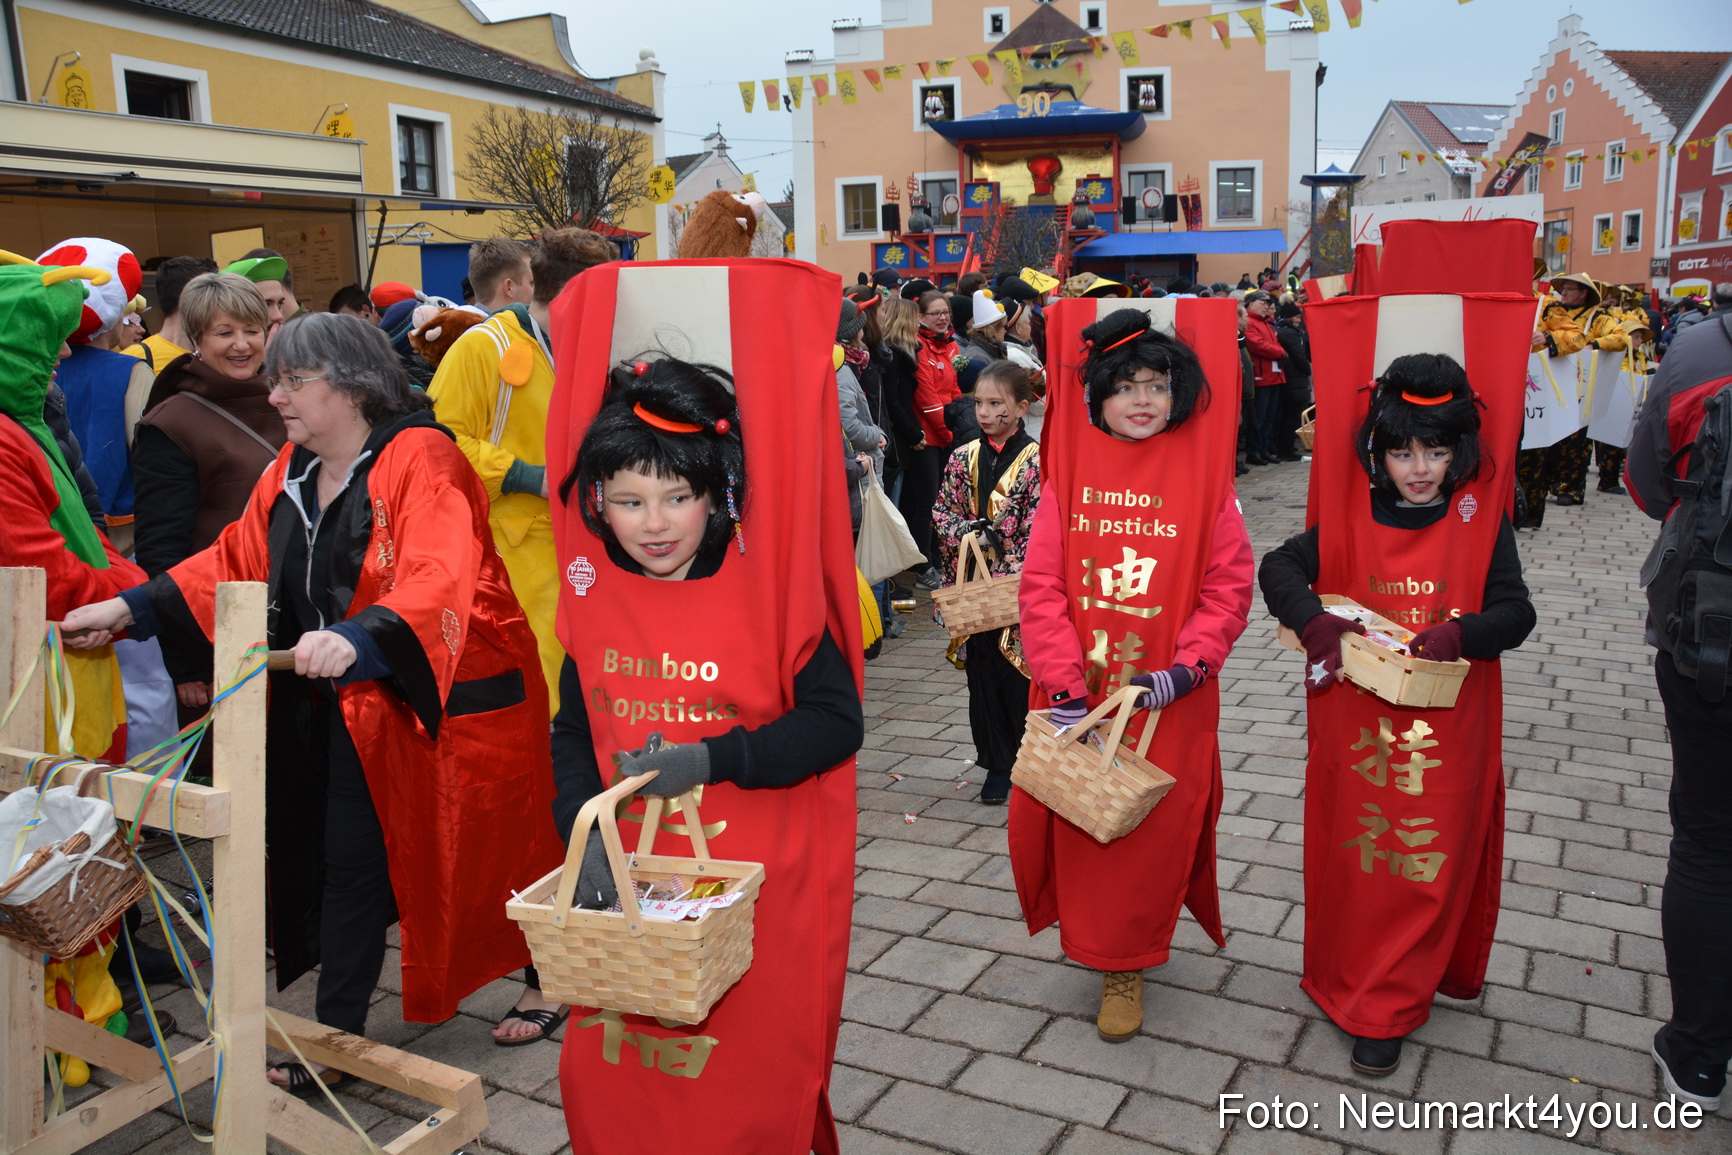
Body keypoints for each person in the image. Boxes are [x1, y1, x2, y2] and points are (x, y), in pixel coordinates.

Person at [63, 312, 562, 1096]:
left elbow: (442, 569)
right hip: (354, 702)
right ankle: (338, 1032)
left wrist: (364, 635)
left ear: (356, 384)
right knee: (350, 860)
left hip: (452, 693)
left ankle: (548, 974)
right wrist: (135, 607)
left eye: (296, 380)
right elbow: (234, 557)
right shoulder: (292, 468)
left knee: (504, 845)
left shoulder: (424, 456)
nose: (277, 395)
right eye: (277, 379)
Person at [546, 343, 863, 1152]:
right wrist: (579, 826)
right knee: (609, 1080)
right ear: (596, 503)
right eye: (628, 500)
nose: (653, 523)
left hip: (753, 895)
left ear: (716, 494)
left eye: (676, 496)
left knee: (749, 1085)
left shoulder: (771, 589)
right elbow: (573, 728)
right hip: (634, 886)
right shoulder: (594, 599)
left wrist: (714, 758)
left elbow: (835, 721)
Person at [1259, 354, 1534, 1076]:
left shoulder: (1481, 519)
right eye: (1404, 451)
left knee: (1427, 861)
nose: (1421, 468)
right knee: (1360, 857)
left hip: (1448, 732)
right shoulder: (1348, 513)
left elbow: (1516, 611)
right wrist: (1314, 622)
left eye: (1437, 451)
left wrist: (1463, 632)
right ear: (1377, 452)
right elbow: (1278, 568)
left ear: (1460, 452)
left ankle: (1395, 999)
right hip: (1359, 731)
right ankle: (1361, 983)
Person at [1016, 305, 1252, 1042]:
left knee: (1152, 829)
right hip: (1079, 694)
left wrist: (1191, 666)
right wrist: (1061, 684)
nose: (1142, 399)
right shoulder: (1071, 473)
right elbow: (1042, 586)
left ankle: (1129, 956)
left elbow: (1229, 583)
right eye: (1124, 386)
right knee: (1086, 823)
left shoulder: (1206, 476)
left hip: (1166, 697)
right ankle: (1105, 944)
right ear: (1098, 397)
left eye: (1156, 383)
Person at [1626, 301, 1732, 1110]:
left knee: (1707, 840)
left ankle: (1697, 1053)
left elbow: (1647, 481)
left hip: (1711, 632)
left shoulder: (1700, 349)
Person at [931, 360, 1041, 803]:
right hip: (975, 586)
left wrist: (1003, 544)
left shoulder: (1040, 460)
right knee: (983, 678)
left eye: (996, 403)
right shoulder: (962, 457)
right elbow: (941, 513)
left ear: (1021, 408)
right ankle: (996, 764)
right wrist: (967, 533)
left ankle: (1027, 760)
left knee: (1021, 675)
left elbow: (1041, 525)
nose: (984, 412)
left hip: (1021, 586)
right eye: (979, 402)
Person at [1516, 272, 1628, 525]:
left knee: (1575, 440)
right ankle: (1551, 484)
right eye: (1562, 289)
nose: (1563, 293)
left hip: (1579, 386)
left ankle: (1570, 488)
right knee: (1545, 440)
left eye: (1569, 289)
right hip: (1543, 385)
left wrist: (1594, 344)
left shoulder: (1594, 317)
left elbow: (1622, 338)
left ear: (1583, 293)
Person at [899, 288, 961, 590]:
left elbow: (955, 391)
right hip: (927, 437)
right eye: (935, 313)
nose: (942, 318)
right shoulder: (919, 347)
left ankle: (939, 560)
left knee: (944, 502)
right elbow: (928, 400)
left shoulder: (950, 347)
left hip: (947, 435)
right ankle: (924, 566)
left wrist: (962, 423)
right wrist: (952, 434)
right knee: (927, 503)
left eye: (945, 312)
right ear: (920, 316)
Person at [123, 256, 217, 372]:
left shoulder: (219, 355)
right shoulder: (132, 359)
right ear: (186, 296)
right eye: (206, 290)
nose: (217, 299)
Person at [1242, 290, 1287, 465]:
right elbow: (1259, 345)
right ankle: (1255, 451)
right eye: (1262, 303)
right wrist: (1282, 353)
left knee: (1269, 417)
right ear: (1251, 303)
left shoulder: (1265, 322)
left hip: (1272, 376)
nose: (1266, 306)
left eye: (1267, 303)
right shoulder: (1253, 323)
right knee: (1259, 418)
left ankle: (1264, 449)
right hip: (1262, 377)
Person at [1003, 297, 1047, 441]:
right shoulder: (1015, 356)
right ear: (1018, 328)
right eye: (1028, 323)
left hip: (1034, 427)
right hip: (1031, 430)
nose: (1031, 327)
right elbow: (1034, 401)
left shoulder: (1021, 352)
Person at [1274, 301, 1311, 461]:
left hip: (1291, 379)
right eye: (1296, 317)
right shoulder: (1289, 334)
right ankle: (1286, 449)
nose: (1299, 320)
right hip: (1293, 380)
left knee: (1288, 416)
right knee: (1290, 416)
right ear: (1289, 317)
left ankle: (1286, 447)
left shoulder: (1285, 331)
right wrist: (1307, 370)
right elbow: (1299, 356)